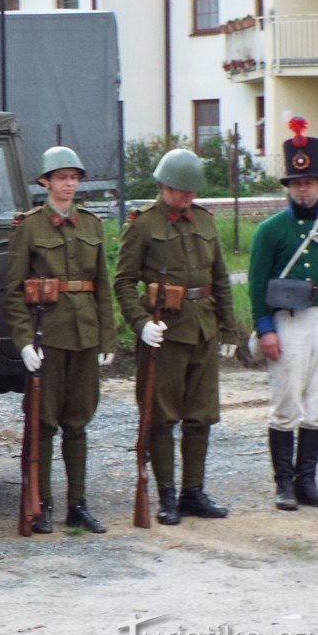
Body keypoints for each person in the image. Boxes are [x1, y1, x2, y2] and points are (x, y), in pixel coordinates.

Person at [114, 149, 238, 525]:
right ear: (165, 185)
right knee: (162, 416)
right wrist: (140, 323)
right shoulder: (142, 224)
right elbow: (122, 282)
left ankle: (193, 492)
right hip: (165, 332)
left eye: (193, 191)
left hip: (203, 328)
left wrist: (229, 327)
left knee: (201, 416)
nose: (189, 197)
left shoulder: (204, 220)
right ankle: (166, 494)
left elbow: (220, 277)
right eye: (183, 191)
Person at [248, 118, 318, 510]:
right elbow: (256, 283)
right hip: (288, 321)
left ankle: (307, 483)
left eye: (309, 182)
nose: (303, 188)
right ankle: (283, 485)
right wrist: (265, 328)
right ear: (289, 187)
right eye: (296, 182)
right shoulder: (270, 230)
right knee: (286, 401)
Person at [6, 147, 116, 534]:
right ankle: (43, 503)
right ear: (46, 182)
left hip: (84, 335)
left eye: (74, 177)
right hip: (47, 336)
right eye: (62, 177)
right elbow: (15, 290)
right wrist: (23, 341)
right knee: (44, 423)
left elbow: (102, 286)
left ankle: (78, 504)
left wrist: (107, 338)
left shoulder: (92, 225)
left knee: (78, 421)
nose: (69, 184)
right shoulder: (30, 227)